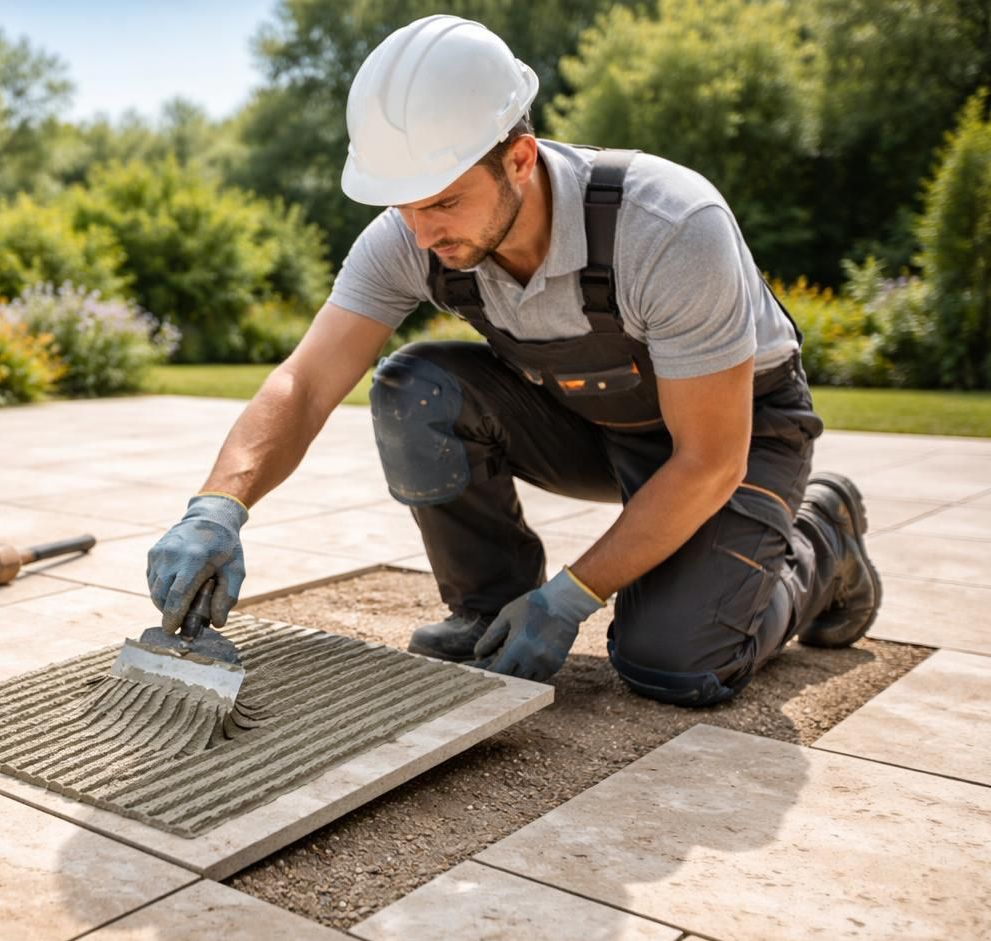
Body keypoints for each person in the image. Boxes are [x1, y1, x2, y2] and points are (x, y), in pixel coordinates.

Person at [144, 14, 881, 706]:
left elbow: (708, 463)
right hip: (588, 417)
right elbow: (304, 384)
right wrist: (217, 507)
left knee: (675, 663)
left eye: (443, 203)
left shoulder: (668, 226)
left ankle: (823, 535)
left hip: (735, 438)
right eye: (402, 206)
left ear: (519, 158)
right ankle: (488, 606)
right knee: (414, 386)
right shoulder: (412, 234)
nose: (422, 232)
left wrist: (571, 597)